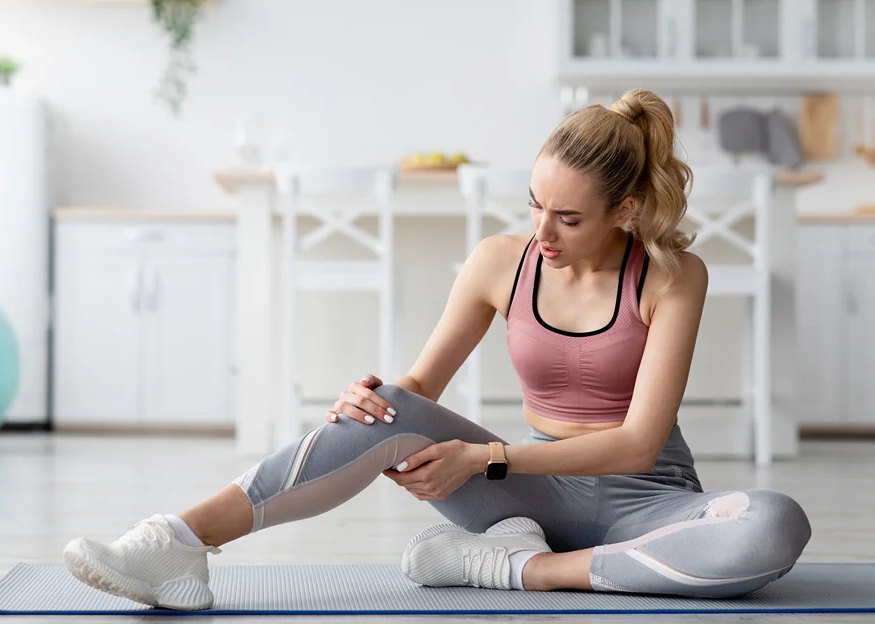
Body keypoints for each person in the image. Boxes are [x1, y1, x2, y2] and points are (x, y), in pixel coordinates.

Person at [62, 89, 811, 611]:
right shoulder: (499, 261)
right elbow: (421, 383)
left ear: (627, 209)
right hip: (526, 491)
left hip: (647, 505)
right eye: (535, 207)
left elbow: (638, 444)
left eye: (570, 219)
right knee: (389, 410)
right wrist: (374, 400)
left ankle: (522, 568)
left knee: (773, 525)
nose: (543, 235)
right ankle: (177, 544)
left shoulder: (674, 278)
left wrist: (489, 458)